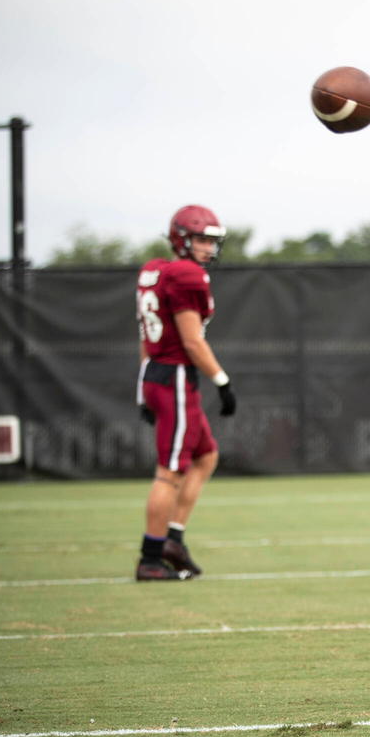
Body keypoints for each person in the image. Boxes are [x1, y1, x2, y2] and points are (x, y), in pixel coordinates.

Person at [134, 205, 237, 581]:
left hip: (159, 374)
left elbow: (146, 337)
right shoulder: (185, 275)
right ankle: (150, 558)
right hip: (174, 376)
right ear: (181, 240)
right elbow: (192, 342)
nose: (208, 248)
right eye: (201, 240)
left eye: (212, 241)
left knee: (205, 455)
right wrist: (222, 381)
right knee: (169, 473)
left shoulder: (154, 271)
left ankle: (172, 539)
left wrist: (141, 387)